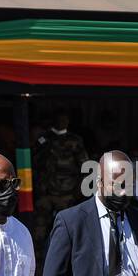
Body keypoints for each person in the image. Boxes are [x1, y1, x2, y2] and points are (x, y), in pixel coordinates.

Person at [31, 111, 88, 259]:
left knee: (68, 230)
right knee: (39, 230)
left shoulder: (74, 140)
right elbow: (32, 160)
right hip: (45, 193)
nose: (63, 122)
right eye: (59, 118)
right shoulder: (43, 139)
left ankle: (67, 260)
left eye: (65, 118)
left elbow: (85, 166)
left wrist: (79, 190)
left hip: (66, 193)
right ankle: (37, 264)